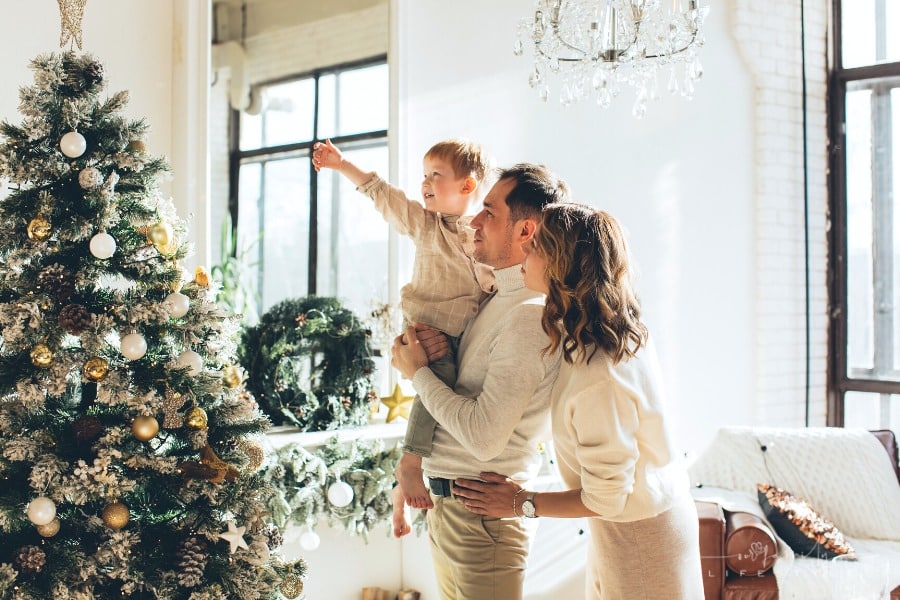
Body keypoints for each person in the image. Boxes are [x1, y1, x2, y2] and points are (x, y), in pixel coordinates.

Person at [451, 203, 705, 599]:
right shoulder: (607, 332)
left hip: (641, 538)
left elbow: (607, 496)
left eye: (536, 246)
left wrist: (521, 502)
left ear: (561, 265)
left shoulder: (598, 375)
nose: (524, 250)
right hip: (637, 525)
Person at [391, 164, 570, 600]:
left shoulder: (529, 315)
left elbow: (484, 439)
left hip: (481, 520)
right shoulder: (494, 301)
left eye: (489, 211)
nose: (473, 221)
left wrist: (417, 373)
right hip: (453, 509)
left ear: (525, 230)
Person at [312, 138, 495, 537]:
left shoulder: (482, 233)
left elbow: (494, 280)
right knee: (436, 386)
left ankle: (401, 492)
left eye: (435, 175)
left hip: (462, 337)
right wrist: (342, 164)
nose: (424, 182)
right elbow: (383, 194)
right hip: (428, 330)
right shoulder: (426, 225)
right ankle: (410, 465)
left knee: (449, 410)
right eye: (424, 174)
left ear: (466, 186)